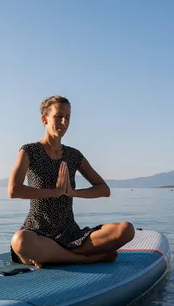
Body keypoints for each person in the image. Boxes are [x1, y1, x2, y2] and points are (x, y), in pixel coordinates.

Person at [7, 95, 135, 268]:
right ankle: (85, 258)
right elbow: (13, 190)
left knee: (126, 230)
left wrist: (72, 192)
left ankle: (54, 256)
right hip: (38, 232)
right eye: (58, 116)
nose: (64, 122)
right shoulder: (29, 151)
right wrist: (55, 192)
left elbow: (104, 189)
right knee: (20, 241)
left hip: (71, 233)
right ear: (44, 119)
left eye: (67, 118)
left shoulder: (74, 155)